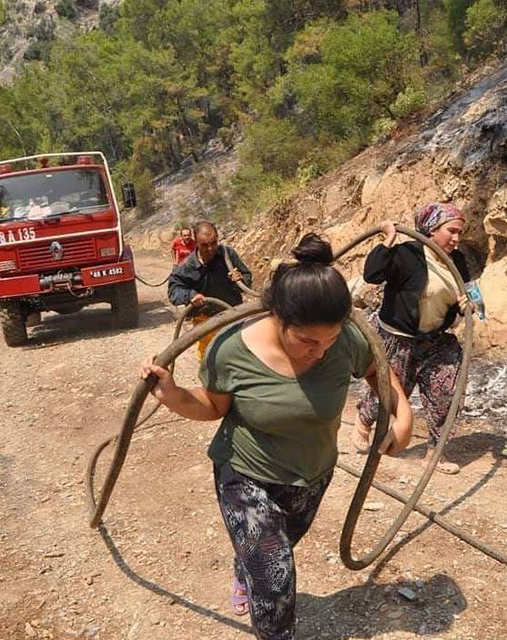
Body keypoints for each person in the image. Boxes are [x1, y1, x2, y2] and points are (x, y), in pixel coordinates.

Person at [141, 234, 413, 640]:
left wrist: (402, 415)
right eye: (306, 341)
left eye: (330, 340)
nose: (319, 351)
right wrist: (172, 394)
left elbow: (376, 370)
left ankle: (244, 567)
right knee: (275, 572)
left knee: (276, 551)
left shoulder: (346, 341)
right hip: (245, 475)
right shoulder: (231, 350)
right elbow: (213, 407)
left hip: (312, 475)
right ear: (277, 318)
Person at [353, 202, 473, 475]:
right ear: (432, 229)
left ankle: (434, 453)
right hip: (397, 336)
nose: (456, 239)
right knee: (389, 392)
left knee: (447, 391)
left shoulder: (459, 261)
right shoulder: (407, 254)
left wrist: (470, 305)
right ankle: (363, 422)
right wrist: (388, 241)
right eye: (451, 231)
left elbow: (473, 294)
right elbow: (372, 273)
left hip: (435, 340)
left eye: (460, 233)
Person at [167, 221, 253, 359]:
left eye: (213, 243)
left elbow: (247, 279)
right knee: (210, 362)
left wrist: (240, 279)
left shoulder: (227, 255)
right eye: (204, 245)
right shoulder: (187, 266)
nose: (210, 248)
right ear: (196, 242)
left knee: (240, 360)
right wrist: (190, 295)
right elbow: (173, 292)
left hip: (233, 315)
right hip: (205, 323)